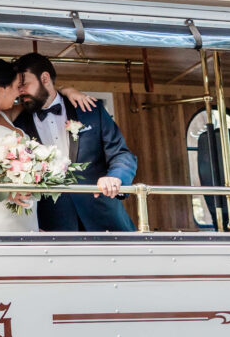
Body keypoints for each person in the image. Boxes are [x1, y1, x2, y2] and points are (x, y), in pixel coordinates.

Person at [0, 58, 96, 235]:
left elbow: (41, 99)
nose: (20, 93)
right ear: (2, 88)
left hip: (19, 215)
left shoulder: (4, 114)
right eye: (17, 86)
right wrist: (7, 191)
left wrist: (66, 90)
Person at [12, 52, 137, 232]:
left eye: (24, 84)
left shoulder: (90, 110)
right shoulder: (18, 125)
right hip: (51, 226)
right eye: (17, 86)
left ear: (45, 78)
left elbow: (121, 153)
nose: (20, 91)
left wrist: (116, 177)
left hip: (104, 218)